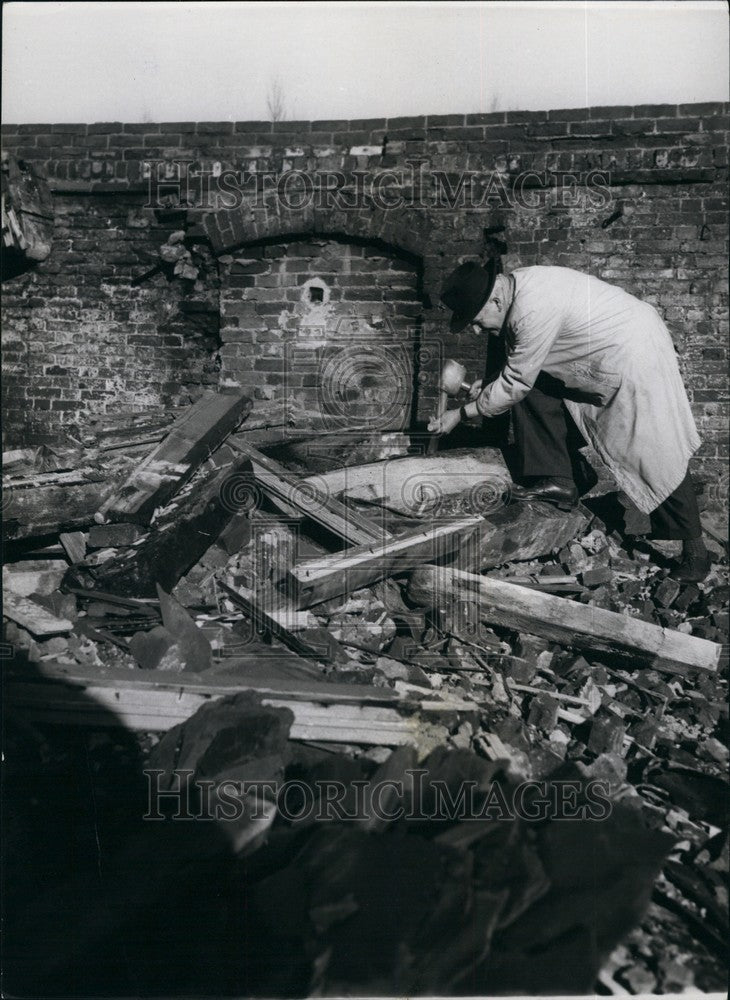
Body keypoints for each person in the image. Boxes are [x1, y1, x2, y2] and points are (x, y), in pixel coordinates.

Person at [430, 261, 711, 582]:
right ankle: (560, 479)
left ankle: (696, 555)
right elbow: (522, 371)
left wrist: (461, 413)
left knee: (657, 451)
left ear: (495, 301)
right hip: (611, 347)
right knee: (531, 388)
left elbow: (515, 381)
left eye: (477, 321)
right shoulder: (518, 288)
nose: (478, 331)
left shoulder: (531, 310)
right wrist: (491, 388)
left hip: (633, 352)